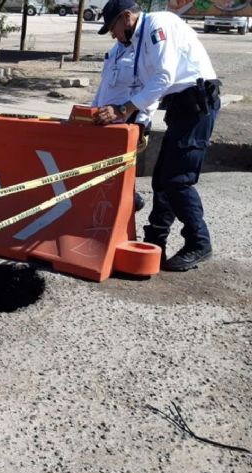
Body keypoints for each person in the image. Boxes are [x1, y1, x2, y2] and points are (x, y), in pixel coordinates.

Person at [93, 0, 220, 272]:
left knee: (178, 179)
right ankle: (155, 242)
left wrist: (125, 109)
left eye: (113, 27)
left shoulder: (158, 25)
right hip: (180, 105)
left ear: (126, 17)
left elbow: (164, 75)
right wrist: (140, 120)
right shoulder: (138, 42)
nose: (114, 35)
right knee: (162, 178)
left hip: (197, 104)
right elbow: (147, 87)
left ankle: (199, 242)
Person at [91, 26, 159, 213]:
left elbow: (152, 91)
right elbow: (104, 86)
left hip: (129, 124)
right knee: (104, 174)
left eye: (115, 28)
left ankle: (130, 204)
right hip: (104, 122)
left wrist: (141, 124)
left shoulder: (145, 53)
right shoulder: (115, 50)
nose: (114, 34)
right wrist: (92, 111)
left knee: (120, 174)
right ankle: (116, 209)